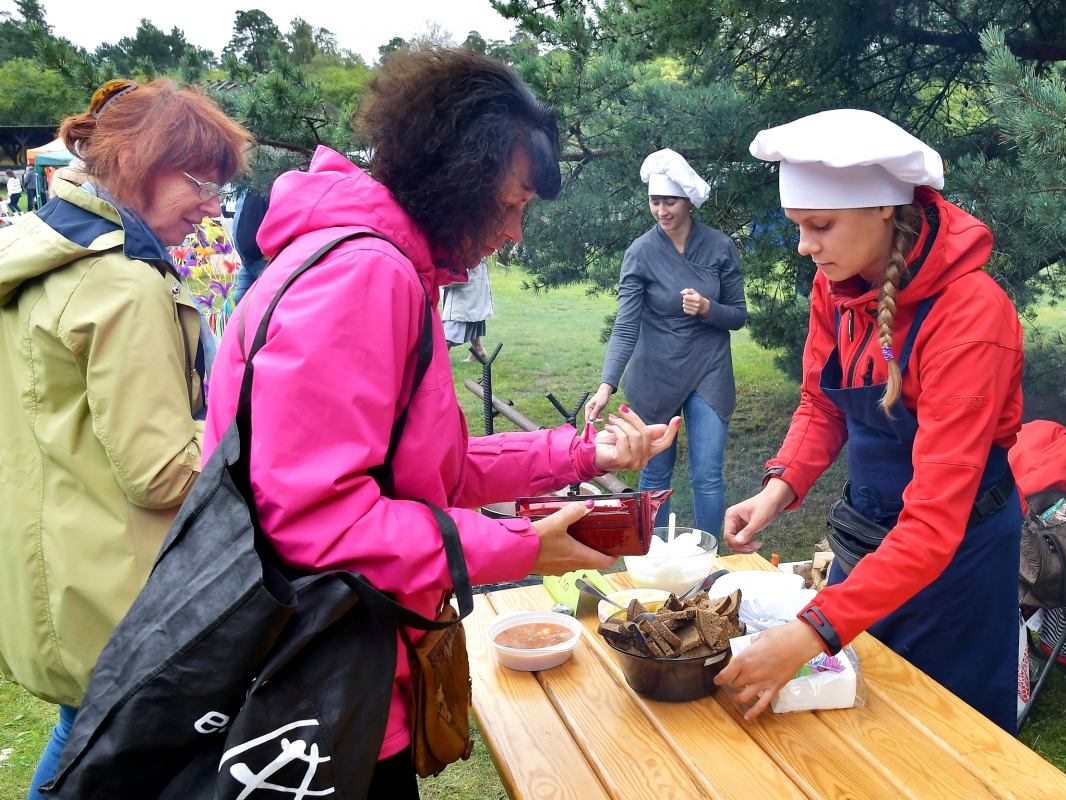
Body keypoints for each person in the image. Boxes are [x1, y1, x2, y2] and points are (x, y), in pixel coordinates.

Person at [201, 48, 680, 798]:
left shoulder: (377, 261)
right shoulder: (365, 274)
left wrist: (583, 454)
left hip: (342, 657)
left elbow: (429, 469)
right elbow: (318, 521)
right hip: (321, 679)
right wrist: (521, 546)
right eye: (512, 203)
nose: (515, 232)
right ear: (456, 173)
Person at [716, 109, 1024, 733]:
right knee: (859, 716)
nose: (805, 246)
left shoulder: (970, 317)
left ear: (884, 207)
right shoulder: (836, 286)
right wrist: (779, 486)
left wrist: (811, 631)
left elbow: (934, 523)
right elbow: (822, 402)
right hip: (873, 536)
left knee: (945, 732)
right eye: (798, 227)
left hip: (956, 557)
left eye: (820, 226)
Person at [0, 79, 252, 799]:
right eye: (203, 183)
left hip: (54, 569)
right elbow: (163, 472)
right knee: (110, 755)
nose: (213, 208)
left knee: (81, 735)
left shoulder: (36, 248)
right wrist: (250, 428)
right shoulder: (123, 284)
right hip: (116, 586)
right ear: (141, 162)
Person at [585, 149, 746, 538]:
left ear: (687, 201)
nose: (661, 210)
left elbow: (738, 315)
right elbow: (626, 325)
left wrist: (708, 308)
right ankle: (655, 557)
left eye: (670, 201)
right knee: (655, 471)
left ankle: (709, 557)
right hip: (655, 372)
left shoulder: (719, 246)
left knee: (707, 474)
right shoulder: (640, 253)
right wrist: (606, 385)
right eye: (655, 201)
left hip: (708, 369)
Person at [441, 256, 494, 360]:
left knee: (452, 330)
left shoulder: (467, 253)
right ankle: (478, 349)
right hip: (470, 291)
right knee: (471, 317)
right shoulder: (474, 251)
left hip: (463, 294)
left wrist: (439, 277)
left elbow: (460, 277)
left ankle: (437, 360)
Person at [230, 188, 269, 302]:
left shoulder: (265, 185)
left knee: (268, 301)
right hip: (247, 260)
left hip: (265, 259)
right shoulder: (244, 187)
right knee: (239, 300)